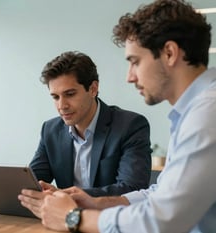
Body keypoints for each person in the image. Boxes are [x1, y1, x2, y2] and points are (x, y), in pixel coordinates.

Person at [19, 0, 216, 232]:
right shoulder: (194, 111)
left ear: (170, 53)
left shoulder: (207, 115)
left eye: (135, 62)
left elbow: (162, 219)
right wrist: (96, 202)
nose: (130, 77)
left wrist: (73, 218)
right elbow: (161, 195)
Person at [29, 51, 152, 197]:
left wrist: (67, 196)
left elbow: (132, 189)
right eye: (55, 97)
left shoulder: (130, 126)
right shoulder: (50, 130)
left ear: (93, 89)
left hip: (110, 217)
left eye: (70, 94)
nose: (62, 105)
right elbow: (32, 182)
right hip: (63, 218)